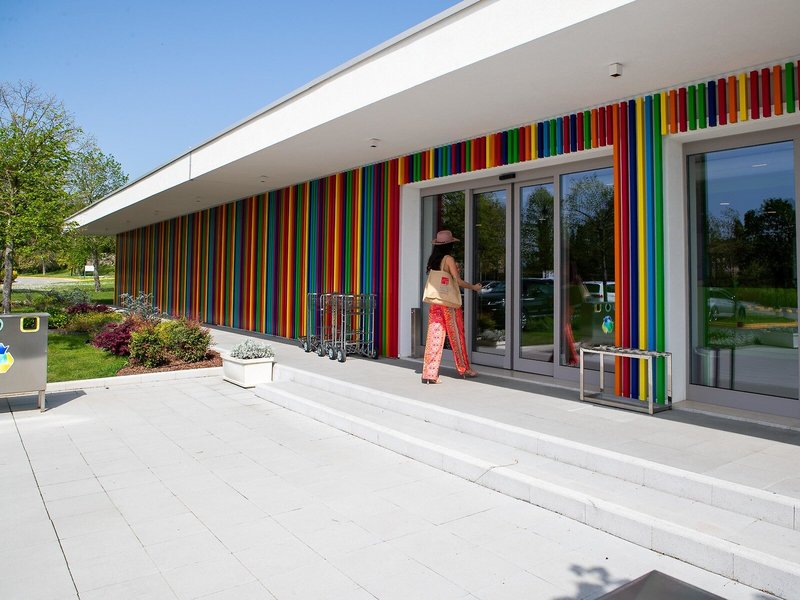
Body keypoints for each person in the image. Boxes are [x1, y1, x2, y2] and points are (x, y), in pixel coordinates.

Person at [422, 230, 482, 383]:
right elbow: (458, 281)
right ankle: (464, 368)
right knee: (456, 336)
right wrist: (474, 287)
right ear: (449, 245)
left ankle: (429, 374)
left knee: (434, 336)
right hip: (448, 304)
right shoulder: (448, 259)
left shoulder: (433, 259)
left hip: (435, 301)